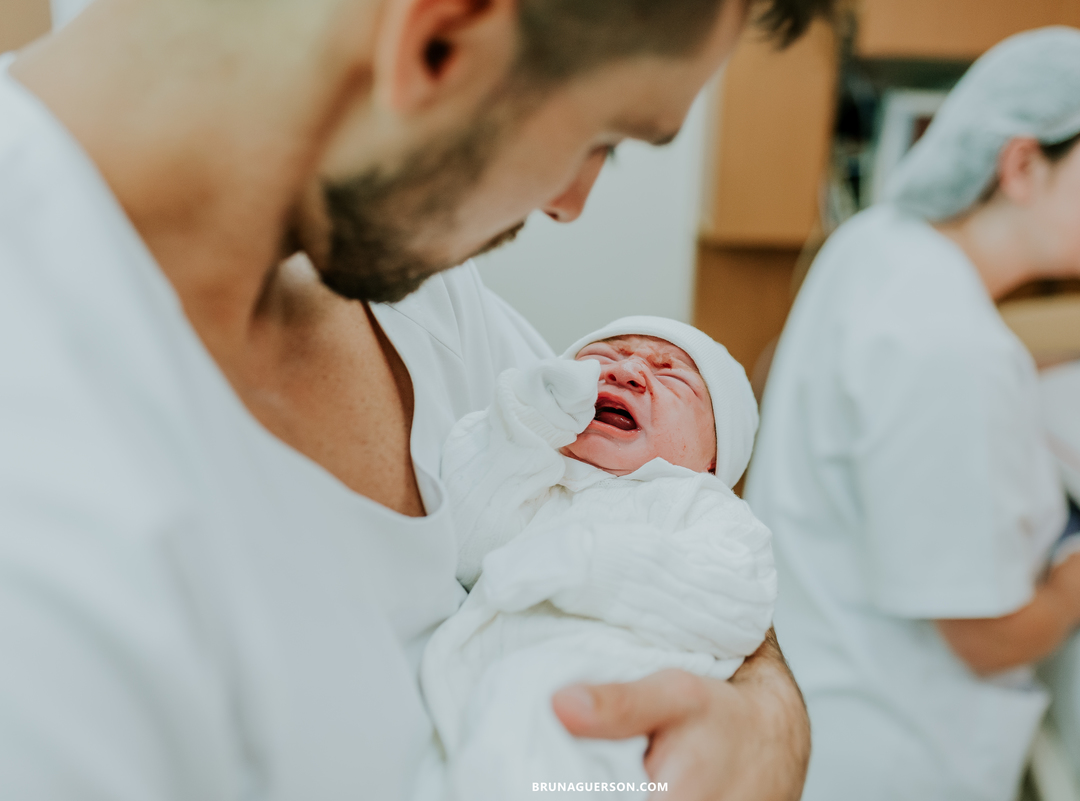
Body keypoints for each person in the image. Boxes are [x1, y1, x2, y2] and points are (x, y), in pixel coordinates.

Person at [0, 0, 830, 797]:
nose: (569, 205)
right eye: (603, 139)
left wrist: (765, 727)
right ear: (437, 41)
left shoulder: (421, 294)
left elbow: (654, 501)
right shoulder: (47, 523)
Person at [744, 26, 1080, 801]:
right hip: (891, 760)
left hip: (815, 700)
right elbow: (984, 637)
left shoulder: (876, 243)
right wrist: (1079, 590)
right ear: (1023, 165)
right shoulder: (954, 350)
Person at [422, 318, 772, 799]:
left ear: (714, 456)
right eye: (602, 357)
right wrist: (526, 424)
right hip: (470, 697)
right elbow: (460, 545)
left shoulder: (705, 508)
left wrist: (585, 561)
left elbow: (736, 600)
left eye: (672, 374)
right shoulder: (537, 477)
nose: (626, 372)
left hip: (613, 715)